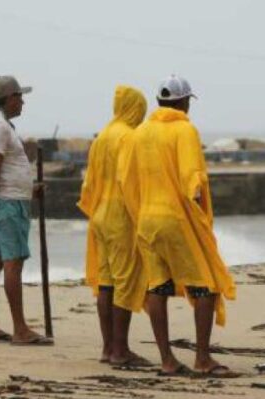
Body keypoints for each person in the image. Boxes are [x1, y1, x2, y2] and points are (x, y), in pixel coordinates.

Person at [120, 75, 236, 376]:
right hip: (177, 218)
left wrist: (139, 214)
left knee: (157, 287)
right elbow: (193, 180)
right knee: (206, 287)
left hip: (147, 218)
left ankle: (167, 360)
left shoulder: (141, 132)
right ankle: (202, 359)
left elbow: (127, 179)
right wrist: (200, 221)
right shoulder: (185, 130)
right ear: (184, 102)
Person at [0, 75, 52, 345]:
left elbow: (4, 170)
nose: (23, 102)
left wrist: (30, 189)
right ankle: (20, 329)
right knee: (12, 264)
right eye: (19, 96)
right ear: (8, 99)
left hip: (5, 199)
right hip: (8, 204)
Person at [77, 85, 149, 366]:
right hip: (121, 216)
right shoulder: (128, 137)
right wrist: (140, 216)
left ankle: (108, 348)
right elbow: (129, 181)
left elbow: (89, 182)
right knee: (124, 282)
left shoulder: (102, 136)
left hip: (100, 215)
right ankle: (121, 350)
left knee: (105, 283)